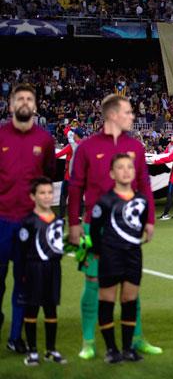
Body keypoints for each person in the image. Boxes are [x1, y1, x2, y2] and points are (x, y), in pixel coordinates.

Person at [67, 94, 160, 359]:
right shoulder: (86, 147)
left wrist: (150, 220)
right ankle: (88, 341)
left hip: (129, 228)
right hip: (92, 228)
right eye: (128, 112)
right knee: (93, 281)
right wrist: (74, 224)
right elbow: (75, 188)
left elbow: (144, 186)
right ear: (112, 115)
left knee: (131, 283)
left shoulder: (136, 147)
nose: (133, 116)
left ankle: (137, 339)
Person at [0, 84, 55, 354]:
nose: (24, 102)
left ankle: (15, 336)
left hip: (29, 224)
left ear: (35, 106)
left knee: (23, 283)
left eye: (29, 99)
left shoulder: (45, 140)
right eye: (19, 98)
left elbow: (46, 177)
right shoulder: (0, 137)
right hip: (1, 221)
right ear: (10, 105)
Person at [90, 154, 150, 363]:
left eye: (129, 167)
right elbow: (95, 230)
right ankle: (111, 349)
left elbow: (140, 225)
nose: (126, 171)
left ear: (134, 172)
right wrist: (99, 251)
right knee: (107, 300)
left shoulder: (141, 200)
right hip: (109, 256)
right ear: (112, 173)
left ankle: (127, 349)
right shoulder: (105, 201)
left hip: (133, 255)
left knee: (129, 300)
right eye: (120, 167)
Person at [18, 177, 66, 366]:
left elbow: (57, 247)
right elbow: (22, 251)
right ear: (33, 196)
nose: (47, 196)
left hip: (53, 270)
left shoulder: (58, 220)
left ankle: (51, 350)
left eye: (49, 192)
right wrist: (23, 274)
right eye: (42, 193)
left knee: (51, 309)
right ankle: (32, 352)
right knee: (32, 309)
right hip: (33, 269)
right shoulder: (29, 221)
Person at [55, 128, 84, 218]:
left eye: (74, 133)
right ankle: (79, 217)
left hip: (69, 178)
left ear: (76, 135)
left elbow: (58, 155)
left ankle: (62, 217)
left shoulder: (71, 146)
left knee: (63, 197)